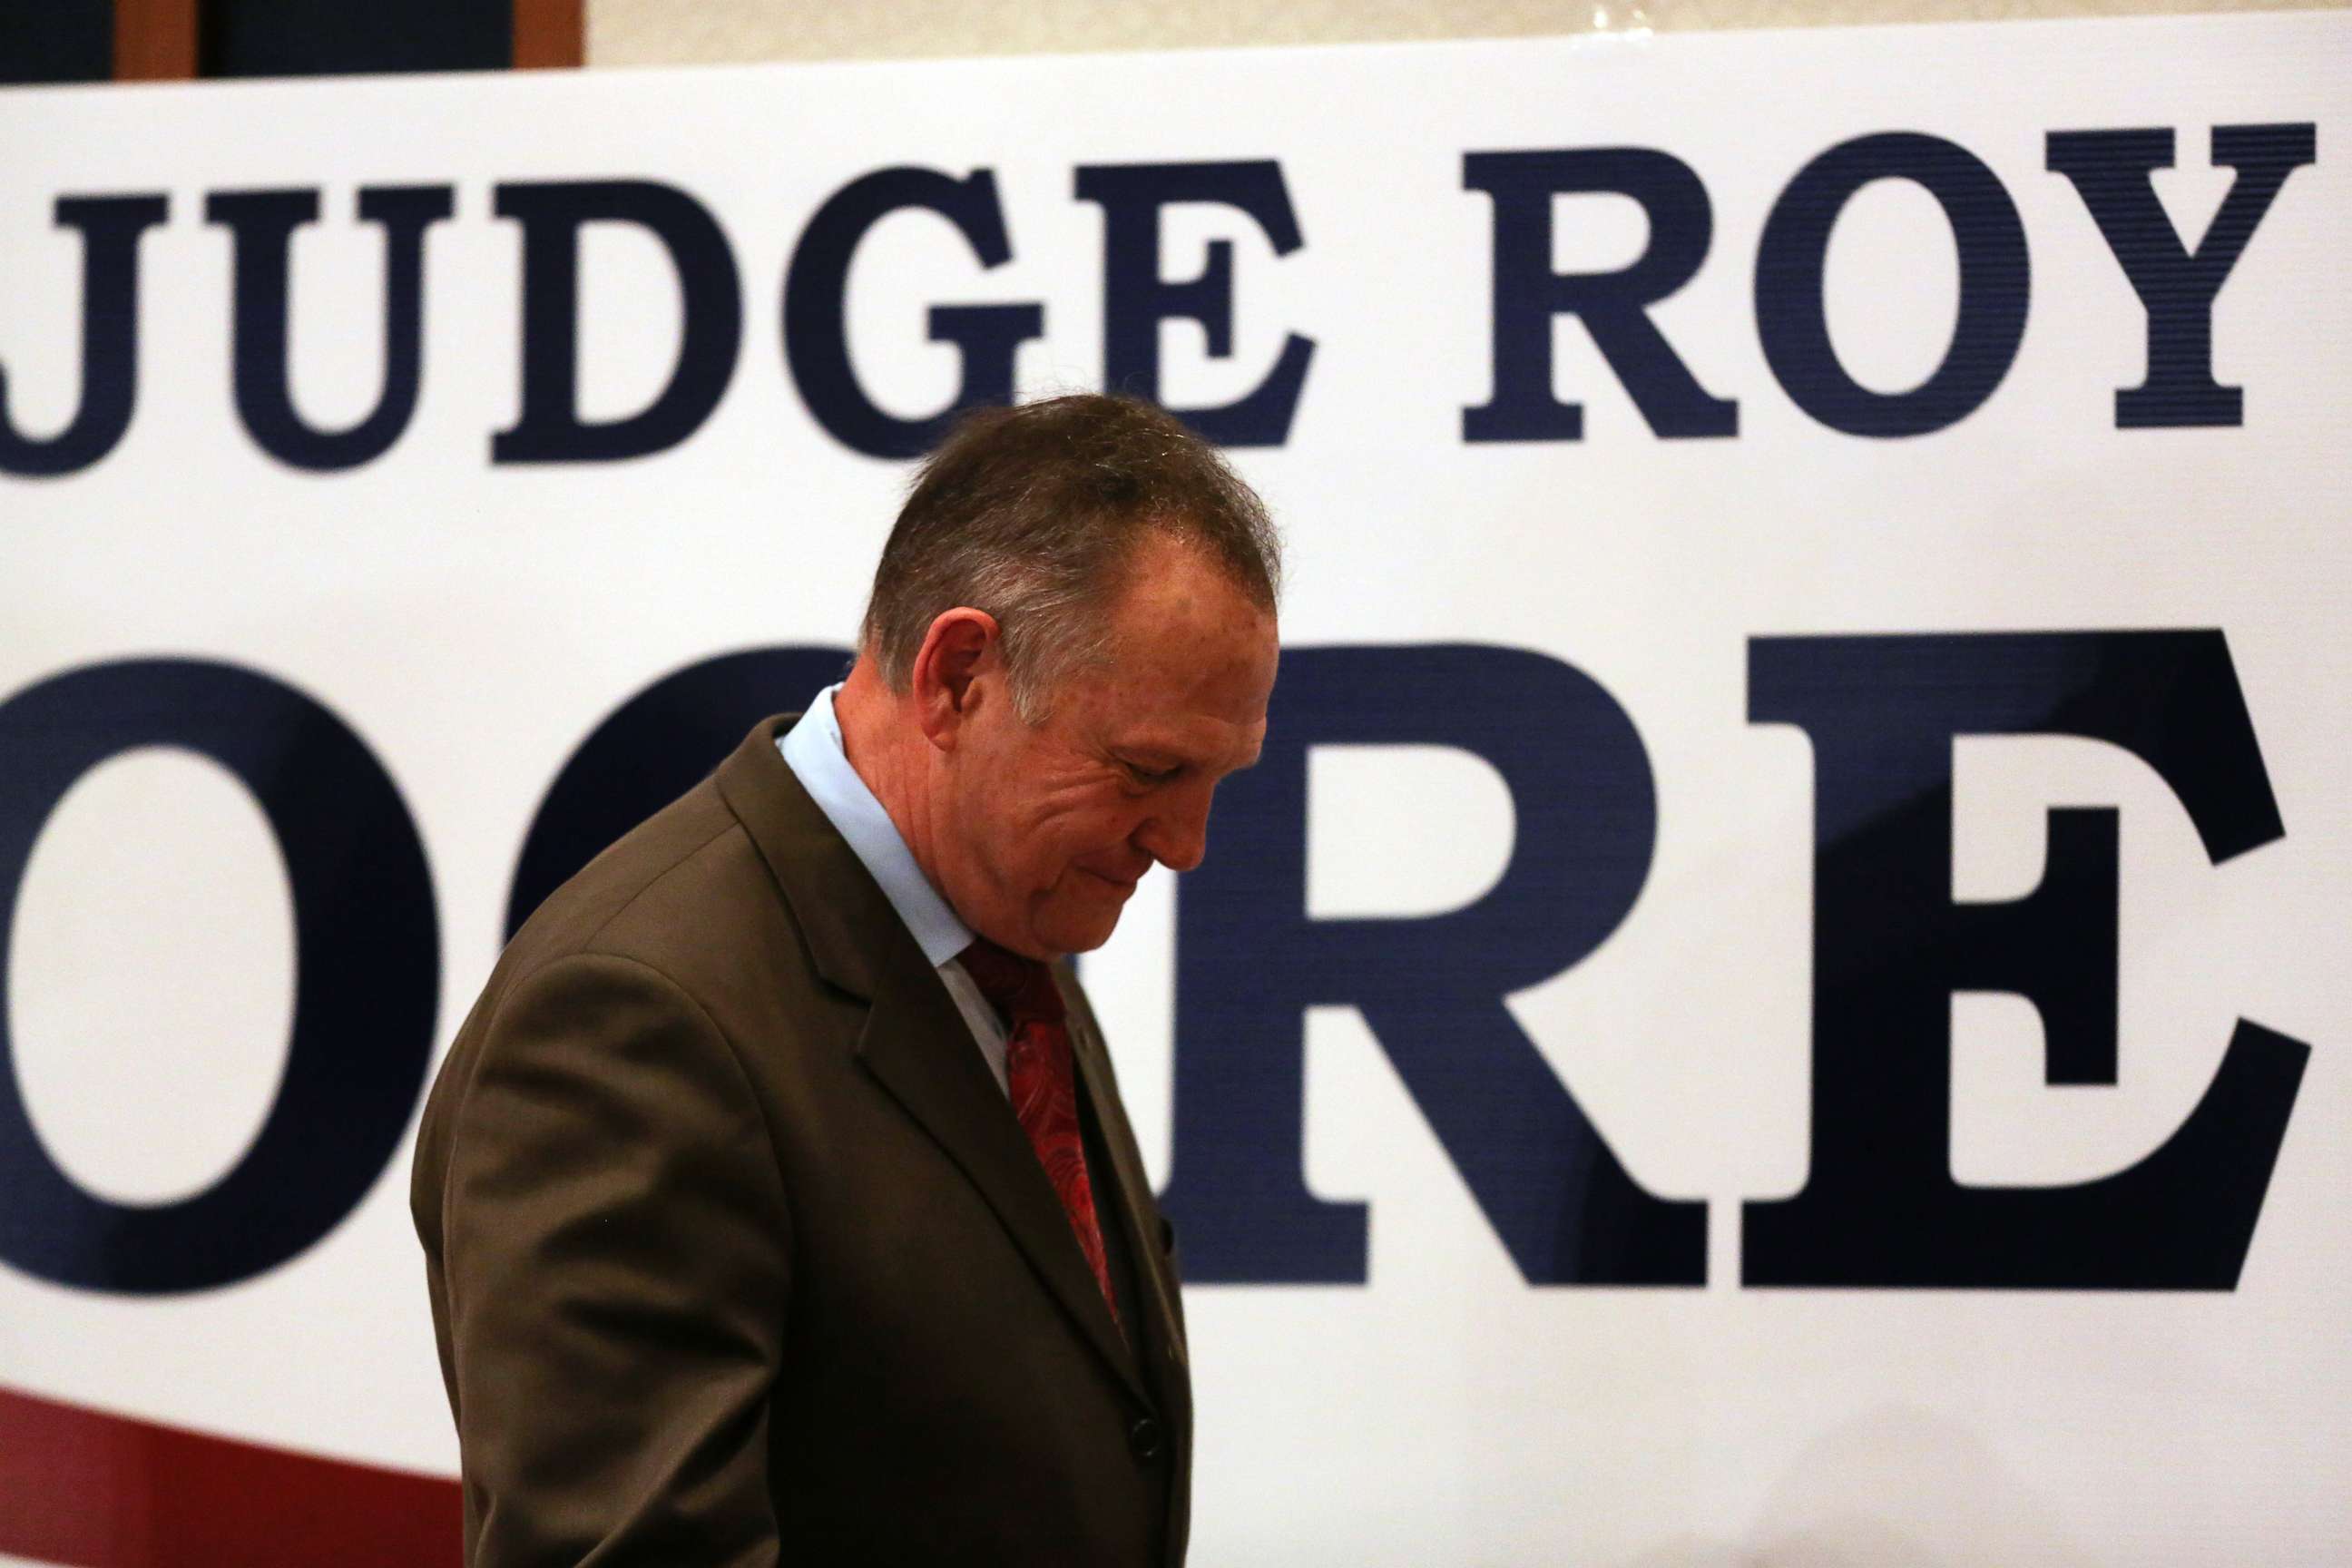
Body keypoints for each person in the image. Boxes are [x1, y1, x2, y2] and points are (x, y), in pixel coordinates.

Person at [409, 392, 1281, 1567]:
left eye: (1216, 778)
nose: (1185, 844)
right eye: (1148, 771)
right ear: (959, 676)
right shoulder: (631, 1022)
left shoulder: (1005, 925)